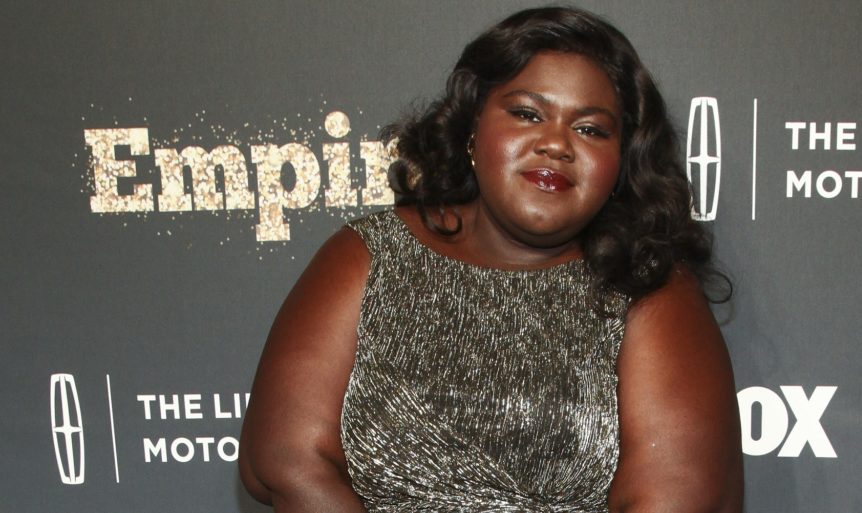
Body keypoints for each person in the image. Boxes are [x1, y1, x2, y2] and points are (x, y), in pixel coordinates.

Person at [239, 6, 742, 513]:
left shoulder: (649, 289)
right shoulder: (370, 255)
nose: (556, 144)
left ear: (620, 163)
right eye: (527, 113)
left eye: (591, 130)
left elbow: (677, 496)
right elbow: (286, 459)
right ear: (472, 128)